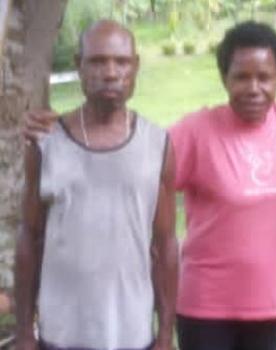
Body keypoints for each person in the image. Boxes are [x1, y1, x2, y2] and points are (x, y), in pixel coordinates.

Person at [15, 20, 178, 350]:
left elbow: (165, 246)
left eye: (122, 61)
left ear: (136, 67)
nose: (111, 73)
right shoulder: (47, 145)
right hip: (61, 334)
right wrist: (24, 333)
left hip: (133, 334)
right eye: (98, 61)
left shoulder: (156, 145)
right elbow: (30, 239)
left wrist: (164, 334)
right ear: (78, 65)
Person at [168, 21, 276, 350]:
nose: (253, 88)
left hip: (269, 302)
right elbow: (140, 160)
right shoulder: (196, 132)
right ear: (225, 78)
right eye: (241, 77)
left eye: (264, 77)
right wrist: (74, 128)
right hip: (206, 306)